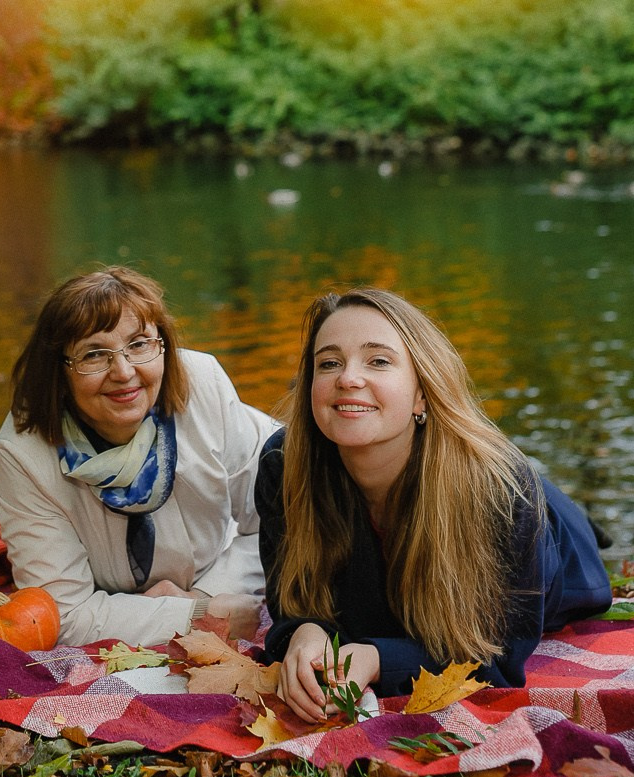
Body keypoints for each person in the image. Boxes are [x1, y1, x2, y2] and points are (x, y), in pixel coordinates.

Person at [256, 286, 612, 721]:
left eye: (379, 361)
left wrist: (375, 660)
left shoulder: (500, 490)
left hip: (559, 548)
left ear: (422, 394)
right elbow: (290, 601)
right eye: (328, 363)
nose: (348, 378)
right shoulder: (284, 465)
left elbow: (496, 659)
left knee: (567, 547)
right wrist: (304, 632)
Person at [0, 266, 278, 647]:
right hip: (112, 598)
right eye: (94, 354)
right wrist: (195, 616)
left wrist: (207, 597)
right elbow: (63, 612)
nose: (124, 372)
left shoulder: (203, 383)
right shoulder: (23, 451)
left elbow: (277, 522)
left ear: (164, 345)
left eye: (140, 344)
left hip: (219, 574)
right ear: (58, 372)